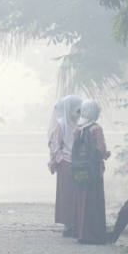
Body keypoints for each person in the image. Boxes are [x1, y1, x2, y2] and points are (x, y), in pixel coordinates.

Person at [71, 99, 111, 245]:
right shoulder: (96, 129)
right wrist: (107, 154)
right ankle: (93, 235)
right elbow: (100, 150)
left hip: (80, 170)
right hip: (94, 171)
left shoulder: (77, 129)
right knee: (94, 202)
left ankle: (81, 233)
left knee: (82, 201)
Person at [47, 95, 82, 236]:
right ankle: (68, 225)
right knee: (66, 195)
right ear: (71, 109)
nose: (79, 113)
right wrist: (58, 160)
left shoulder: (78, 124)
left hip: (78, 163)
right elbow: (55, 145)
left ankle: (76, 222)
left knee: (77, 194)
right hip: (66, 164)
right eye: (78, 110)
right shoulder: (61, 124)